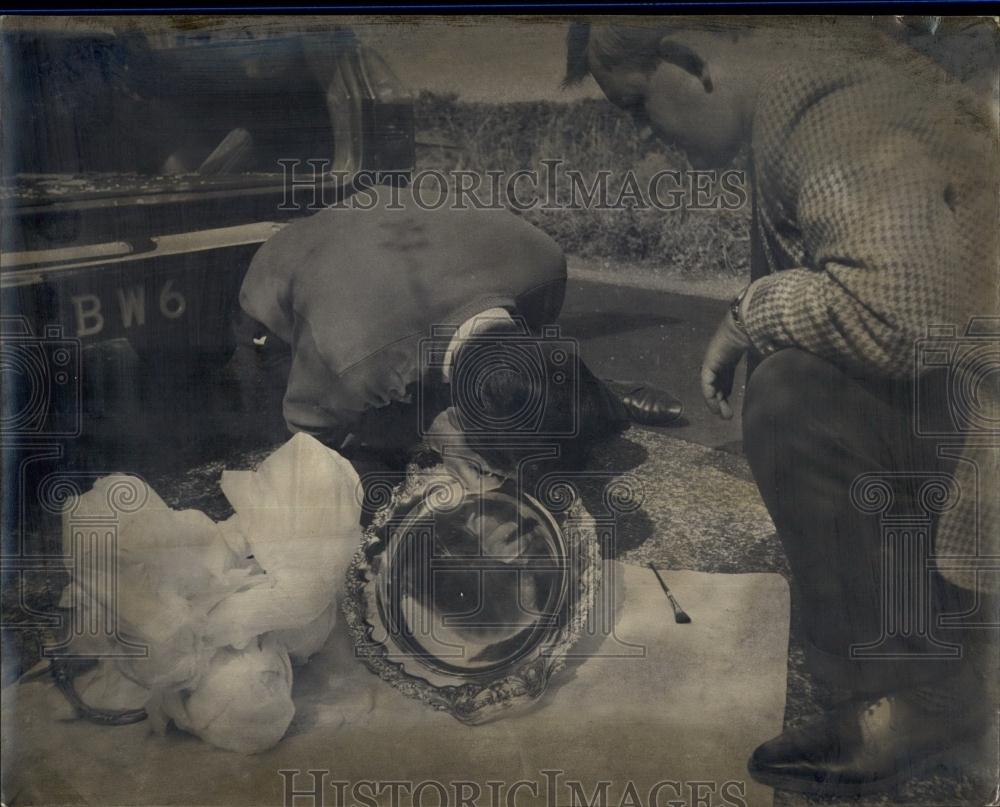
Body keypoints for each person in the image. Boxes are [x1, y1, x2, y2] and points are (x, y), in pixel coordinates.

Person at [565, 18, 998, 797]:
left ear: (690, 59)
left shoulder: (825, 103)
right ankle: (933, 625)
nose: (650, 141)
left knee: (793, 393)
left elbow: (903, 316)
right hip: (971, 397)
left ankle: (919, 695)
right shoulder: (827, 74)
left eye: (637, 108)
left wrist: (751, 312)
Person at [235, 185, 682, 490]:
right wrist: (437, 435)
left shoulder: (543, 265)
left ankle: (600, 400)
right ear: (460, 415)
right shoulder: (357, 361)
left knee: (545, 416)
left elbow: (529, 356)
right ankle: (428, 425)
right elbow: (308, 429)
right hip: (285, 285)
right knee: (365, 469)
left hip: (391, 221)